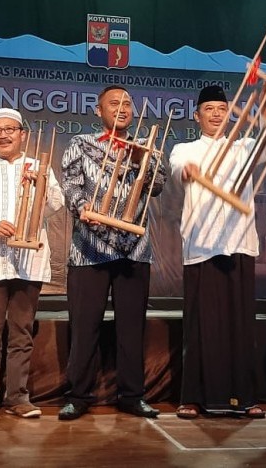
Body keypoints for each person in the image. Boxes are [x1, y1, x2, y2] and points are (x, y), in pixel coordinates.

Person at [57, 84, 166, 420]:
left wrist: (143, 163)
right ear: (98, 110)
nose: (122, 108)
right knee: (84, 324)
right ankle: (79, 395)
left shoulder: (145, 147)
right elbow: (71, 183)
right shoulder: (81, 144)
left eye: (127, 103)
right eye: (114, 103)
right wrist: (82, 205)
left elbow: (158, 184)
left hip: (133, 250)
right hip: (89, 249)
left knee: (132, 327)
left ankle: (132, 395)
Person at [0, 108, 64, 420]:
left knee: (22, 333)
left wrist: (40, 184)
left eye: (11, 130)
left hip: (28, 262)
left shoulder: (38, 167)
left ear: (23, 135)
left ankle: (18, 397)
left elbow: (56, 203)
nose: (4, 135)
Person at [168, 84, 266, 419]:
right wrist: (188, 172)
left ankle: (246, 397)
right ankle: (193, 396)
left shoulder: (245, 146)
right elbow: (177, 169)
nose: (215, 114)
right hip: (202, 245)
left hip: (239, 242)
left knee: (241, 324)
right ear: (197, 116)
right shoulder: (185, 148)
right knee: (200, 324)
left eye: (221, 109)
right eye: (208, 109)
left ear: (229, 114)